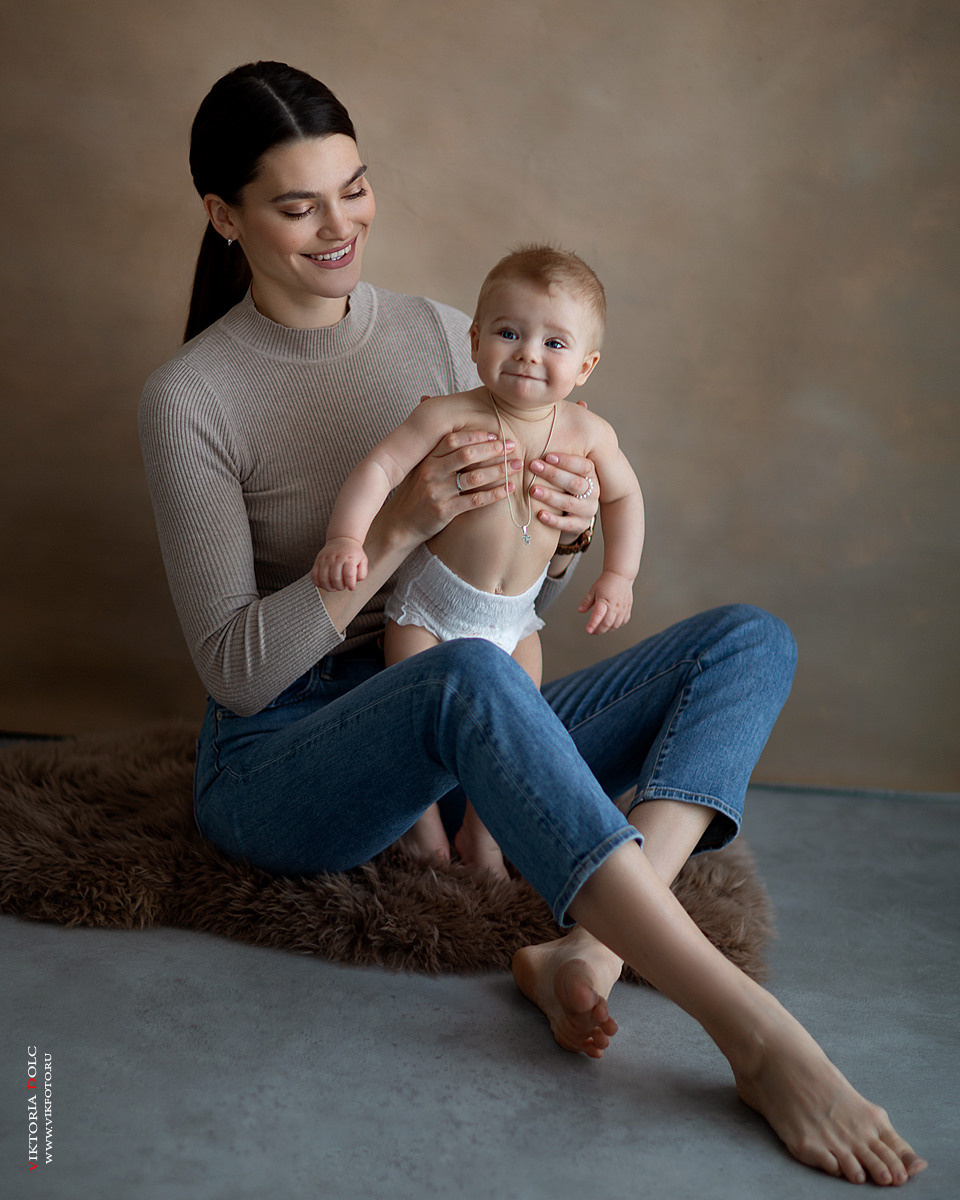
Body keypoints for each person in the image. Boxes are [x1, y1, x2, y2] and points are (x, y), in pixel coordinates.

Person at [138, 61, 925, 1186]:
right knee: (466, 678)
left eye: (354, 189)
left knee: (748, 640)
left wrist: (561, 540)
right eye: (298, 206)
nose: (341, 226)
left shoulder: (444, 334)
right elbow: (237, 673)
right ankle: (754, 1033)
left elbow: (506, 602)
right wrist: (397, 529)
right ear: (224, 217)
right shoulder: (191, 399)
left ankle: (591, 947)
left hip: (464, 699)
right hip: (285, 758)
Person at [312, 245, 644, 878]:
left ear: (585, 366)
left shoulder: (589, 435)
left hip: (514, 624)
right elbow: (380, 468)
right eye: (509, 333)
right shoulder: (447, 414)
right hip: (428, 616)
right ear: (474, 340)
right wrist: (347, 539)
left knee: (515, 733)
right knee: (410, 731)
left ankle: (482, 832)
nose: (527, 353)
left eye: (554, 343)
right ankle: (424, 833)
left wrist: (618, 574)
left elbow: (624, 497)